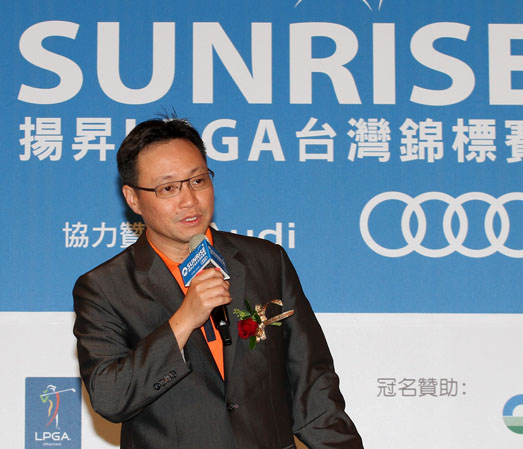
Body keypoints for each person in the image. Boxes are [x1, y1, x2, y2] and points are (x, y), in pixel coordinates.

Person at [73, 117, 363, 449]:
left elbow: (313, 388)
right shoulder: (105, 288)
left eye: (198, 181)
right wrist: (184, 320)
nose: (189, 200)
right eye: (168, 188)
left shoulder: (266, 262)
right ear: (133, 198)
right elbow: (110, 397)